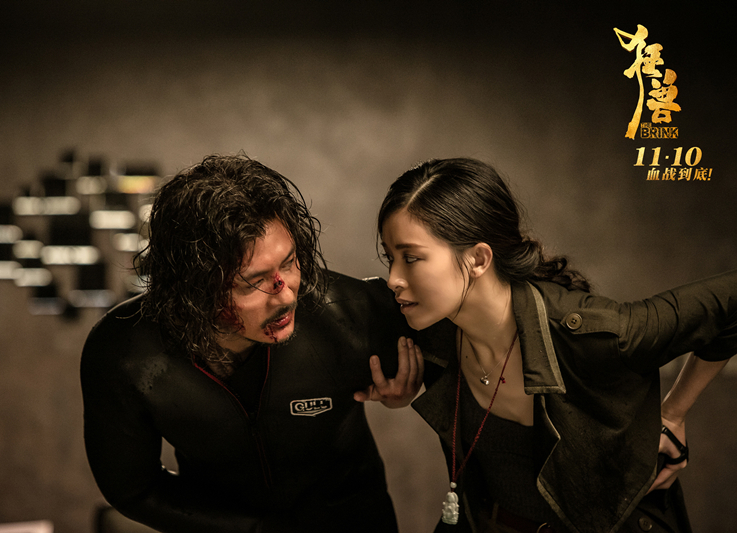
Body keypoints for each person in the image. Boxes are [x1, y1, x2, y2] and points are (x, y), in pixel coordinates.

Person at [372, 157, 735, 533]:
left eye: (411, 258)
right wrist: (394, 385)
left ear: (478, 259)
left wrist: (673, 413)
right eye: (390, 258)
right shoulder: (429, 328)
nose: (393, 278)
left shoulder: (591, 335)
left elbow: (731, 305)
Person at [80, 154, 423, 533]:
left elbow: (463, 350)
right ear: (193, 290)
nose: (286, 295)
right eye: (254, 282)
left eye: (289, 263)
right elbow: (133, 489)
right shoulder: (125, 353)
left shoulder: (349, 312)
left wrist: (409, 388)